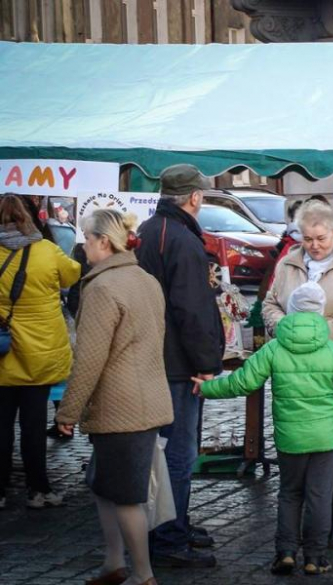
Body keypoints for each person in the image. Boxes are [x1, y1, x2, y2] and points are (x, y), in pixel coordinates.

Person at [194, 282, 333, 576]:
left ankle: (285, 552)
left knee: (289, 493)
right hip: (326, 437)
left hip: (290, 437)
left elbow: (243, 382)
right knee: (320, 496)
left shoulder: (274, 347)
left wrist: (208, 388)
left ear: (292, 310)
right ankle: (315, 557)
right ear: (320, 314)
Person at [56, 209, 173, 585]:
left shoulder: (103, 288)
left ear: (103, 241)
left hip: (121, 407)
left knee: (124, 496)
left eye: (87, 239)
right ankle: (114, 563)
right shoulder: (144, 279)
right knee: (103, 484)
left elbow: (89, 359)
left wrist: (67, 412)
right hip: (146, 398)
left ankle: (143, 575)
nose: (84, 246)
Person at [263, 200, 333, 550]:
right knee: (304, 448)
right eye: (307, 238)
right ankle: (309, 526)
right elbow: (269, 305)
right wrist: (288, 329)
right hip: (297, 375)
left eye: (321, 238)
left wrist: (316, 335)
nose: (314, 245)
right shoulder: (290, 262)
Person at [135, 164, 225, 568]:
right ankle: (170, 537)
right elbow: (191, 309)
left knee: (168, 451)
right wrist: (207, 364)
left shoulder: (151, 230)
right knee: (178, 454)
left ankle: (176, 525)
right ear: (193, 198)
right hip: (176, 365)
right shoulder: (181, 239)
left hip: (156, 357)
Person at [0, 194, 80, 510]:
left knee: (1, 426)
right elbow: (72, 273)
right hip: (40, 352)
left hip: (3, 351)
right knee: (34, 425)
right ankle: (38, 490)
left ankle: (1, 490)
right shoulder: (47, 251)